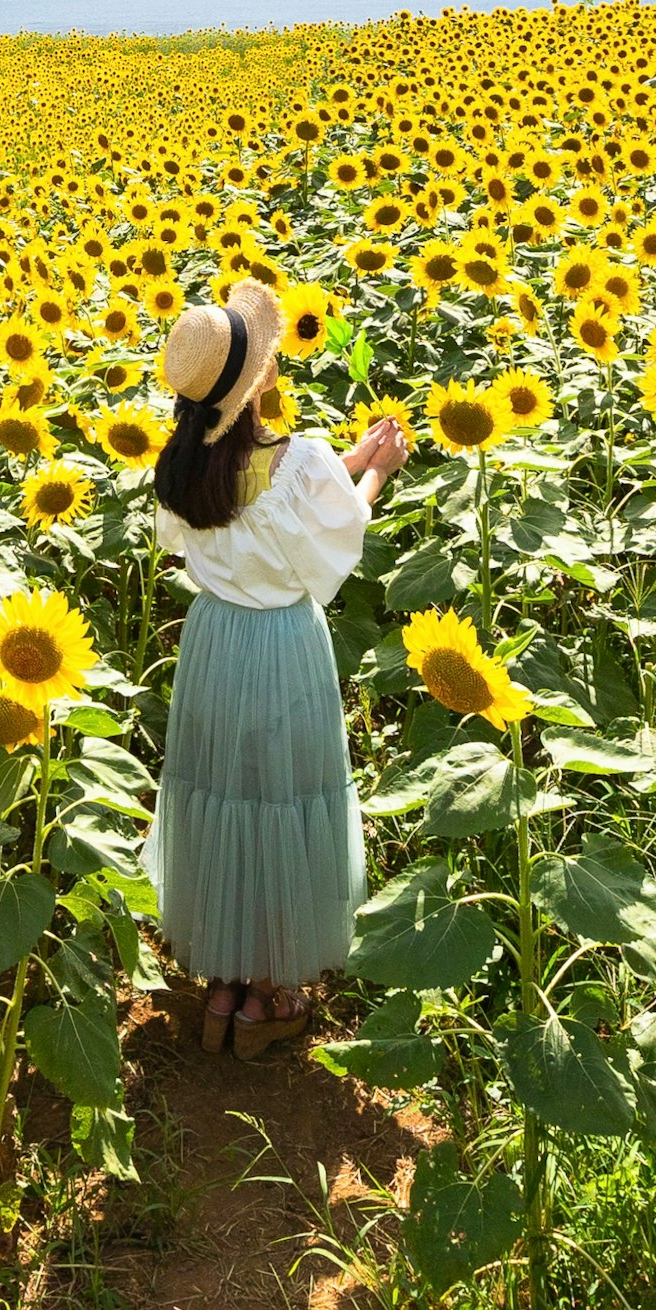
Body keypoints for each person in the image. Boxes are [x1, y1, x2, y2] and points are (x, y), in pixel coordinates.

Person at [144, 278, 411, 1059]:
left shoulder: (184, 462)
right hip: (282, 647)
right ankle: (271, 994)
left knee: (225, 793)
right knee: (283, 797)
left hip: (216, 643)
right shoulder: (301, 463)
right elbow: (339, 526)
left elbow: (257, 495)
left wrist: (345, 457)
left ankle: (223, 987)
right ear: (261, 381)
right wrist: (378, 469)